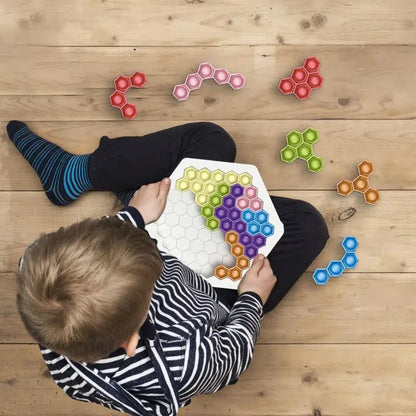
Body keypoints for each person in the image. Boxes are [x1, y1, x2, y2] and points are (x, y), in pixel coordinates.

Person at [8, 120, 329, 416]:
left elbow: (91, 242)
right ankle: (126, 188)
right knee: (308, 227)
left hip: (164, 256)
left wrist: (135, 216)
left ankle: (73, 174)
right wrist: (251, 300)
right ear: (133, 337)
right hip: (219, 303)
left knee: (212, 141)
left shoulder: (38, 265)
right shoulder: (185, 364)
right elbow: (235, 354)